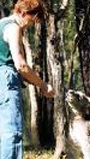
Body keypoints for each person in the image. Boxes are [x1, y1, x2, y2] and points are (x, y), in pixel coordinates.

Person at [0, 0, 54, 159]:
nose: (30, 26)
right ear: (23, 13)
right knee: (11, 131)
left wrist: (34, 81)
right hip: (6, 79)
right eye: (32, 21)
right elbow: (21, 66)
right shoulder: (13, 27)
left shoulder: (1, 23)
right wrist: (43, 85)